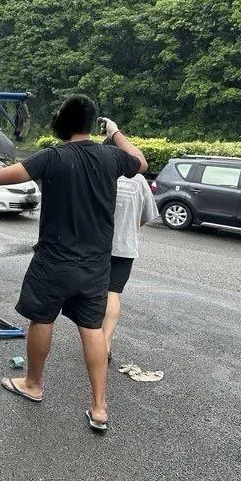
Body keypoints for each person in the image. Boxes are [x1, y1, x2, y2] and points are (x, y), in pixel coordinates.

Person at [0, 95, 147, 433]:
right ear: (91, 124)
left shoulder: (53, 157)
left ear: (63, 123)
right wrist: (117, 132)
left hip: (53, 260)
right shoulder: (111, 156)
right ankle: (100, 407)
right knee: (92, 329)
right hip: (95, 265)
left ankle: (33, 385)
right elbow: (141, 162)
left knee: (42, 318)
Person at [102, 142, 160, 361]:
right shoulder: (139, 181)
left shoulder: (103, 175)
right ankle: (106, 342)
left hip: (99, 247)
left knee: (96, 295)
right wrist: (130, 228)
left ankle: (95, 339)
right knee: (113, 293)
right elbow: (145, 216)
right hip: (126, 247)